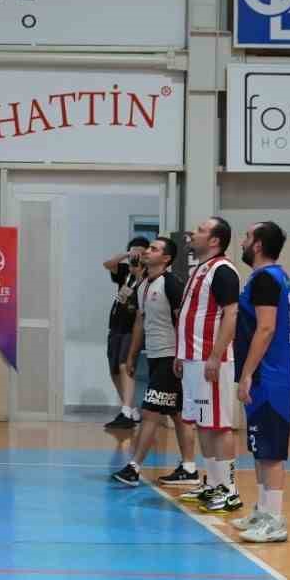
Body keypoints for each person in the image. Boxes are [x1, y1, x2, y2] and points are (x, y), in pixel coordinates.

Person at [110, 236, 200, 488]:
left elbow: (181, 319)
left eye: (154, 249)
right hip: (154, 355)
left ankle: (134, 468)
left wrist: (182, 354)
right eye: (149, 248)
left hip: (171, 357)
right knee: (177, 412)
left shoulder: (171, 284)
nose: (147, 252)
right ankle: (190, 467)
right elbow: (140, 322)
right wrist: (131, 355)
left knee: (150, 412)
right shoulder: (142, 286)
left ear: (166, 258)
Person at [233, 221, 290, 543]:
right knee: (260, 447)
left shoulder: (266, 280)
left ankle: (276, 520)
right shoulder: (270, 278)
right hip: (266, 375)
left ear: (257, 245)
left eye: (246, 237)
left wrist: (246, 373)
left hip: (269, 376)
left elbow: (267, 329)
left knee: (271, 452)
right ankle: (262, 510)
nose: (242, 242)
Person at [175, 215, 242, 515]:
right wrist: (181, 354)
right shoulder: (200, 269)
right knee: (203, 423)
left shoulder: (224, 271)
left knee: (219, 425)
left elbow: (232, 315)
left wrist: (216, 355)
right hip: (193, 360)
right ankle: (213, 483)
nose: (194, 232)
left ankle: (229, 490)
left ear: (214, 240)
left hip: (210, 361)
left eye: (201, 230)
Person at [101, 236, 150, 430]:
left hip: (133, 328)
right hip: (116, 326)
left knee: (125, 366)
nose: (136, 256)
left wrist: (140, 270)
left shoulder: (147, 276)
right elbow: (108, 264)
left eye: (141, 252)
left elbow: (143, 294)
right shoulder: (124, 272)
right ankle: (130, 409)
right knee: (114, 369)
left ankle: (127, 412)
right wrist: (127, 255)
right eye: (134, 252)